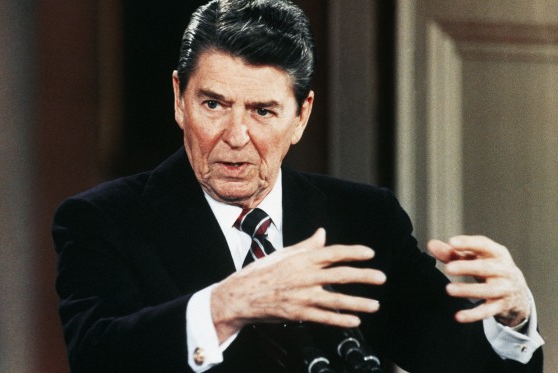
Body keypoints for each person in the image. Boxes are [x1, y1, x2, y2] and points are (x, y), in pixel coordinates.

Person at [52, 0, 544, 372]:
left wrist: (512, 320)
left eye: (263, 112)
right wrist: (226, 305)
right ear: (180, 98)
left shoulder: (364, 218)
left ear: (301, 116)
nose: (236, 137)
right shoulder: (104, 220)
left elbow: (457, 360)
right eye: (214, 105)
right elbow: (98, 356)